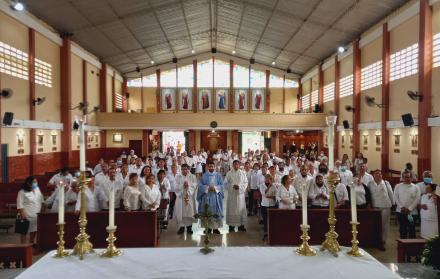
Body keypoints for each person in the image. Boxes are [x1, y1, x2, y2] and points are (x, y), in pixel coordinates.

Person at [368, 169, 394, 247]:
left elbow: (391, 193)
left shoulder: (386, 183)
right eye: (376, 173)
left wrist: (393, 204)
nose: (378, 175)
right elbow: (368, 195)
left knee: (384, 224)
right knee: (376, 224)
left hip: (385, 206)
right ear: (373, 175)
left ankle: (383, 240)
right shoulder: (370, 183)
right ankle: (375, 239)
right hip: (375, 206)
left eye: (379, 174)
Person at [197, 161, 224, 234]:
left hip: (215, 197)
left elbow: (222, 185)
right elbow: (200, 186)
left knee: (216, 212)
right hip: (207, 197)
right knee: (207, 211)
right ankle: (207, 228)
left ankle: (215, 228)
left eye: (212, 166)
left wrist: (215, 188)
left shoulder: (218, 175)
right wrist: (207, 188)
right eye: (210, 166)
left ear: (214, 167)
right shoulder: (204, 175)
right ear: (208, 167)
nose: (211, 167)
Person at [16, 176, 44, 244]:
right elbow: (19, 204)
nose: (36, 183)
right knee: (24, 232)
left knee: (34, 230)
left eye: (36, 182)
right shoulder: (22, 192)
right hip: (26, 215)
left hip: (36, 215)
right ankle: (23, 246)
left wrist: (43, 209)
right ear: (28, 183)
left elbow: (41, 200)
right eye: (34, 182)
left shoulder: (37, 189)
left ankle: (31, 244)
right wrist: (22, 215)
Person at [394, 171, 421, 238]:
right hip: (400, 211)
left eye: (408, 177)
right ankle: (403, 246)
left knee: (412, 228)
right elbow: (395, 197)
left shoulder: (416, 187)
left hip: (412, 213)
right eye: (405, 177)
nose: (407, 178)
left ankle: (411, 246)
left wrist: (409, 209)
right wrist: (401, 207)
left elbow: (417, 199)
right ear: (402, 178)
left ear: (411, 178)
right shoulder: (398, 186)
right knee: (402, 229)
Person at [224, 160, 248, 232]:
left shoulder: (243, 173)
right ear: (232, 165)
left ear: (239, 165)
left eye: (237, 164)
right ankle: (231, 226)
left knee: (241, 209)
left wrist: (240, 187)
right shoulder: (229, 173)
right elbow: (225, 183)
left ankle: (241, 225)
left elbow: (246, 182)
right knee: (232, 210)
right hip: (232, 195)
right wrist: (232, 186)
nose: (236, 166)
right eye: (234, 164)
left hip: (240, 195)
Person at [174, 164, 198, 234]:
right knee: (181, 212)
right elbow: (175, 185)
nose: (184, 170)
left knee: (189, 212)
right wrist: (182, 186)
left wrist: (188, 186)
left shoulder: (192, 176)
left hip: (189, 197)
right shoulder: (177, 176)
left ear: (188, 169)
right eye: (183, 169)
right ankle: (181, 227)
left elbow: (195, 184)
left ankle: (189, 227)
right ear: (181, 169)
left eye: (186, 169)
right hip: (181, 197)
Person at [260, 174, 277, 240]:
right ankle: (265, 233)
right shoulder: (261, 185)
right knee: (265, 220)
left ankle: (271, 233)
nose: (267, 180)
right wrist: (269, 186)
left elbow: (276, 194)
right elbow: (264, 194)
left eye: (269, 179)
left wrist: (272, 196)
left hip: (272, 205)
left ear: (271, 179)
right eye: (266, 178)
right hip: (264, 205)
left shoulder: (274, 186)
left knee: (271, 220)